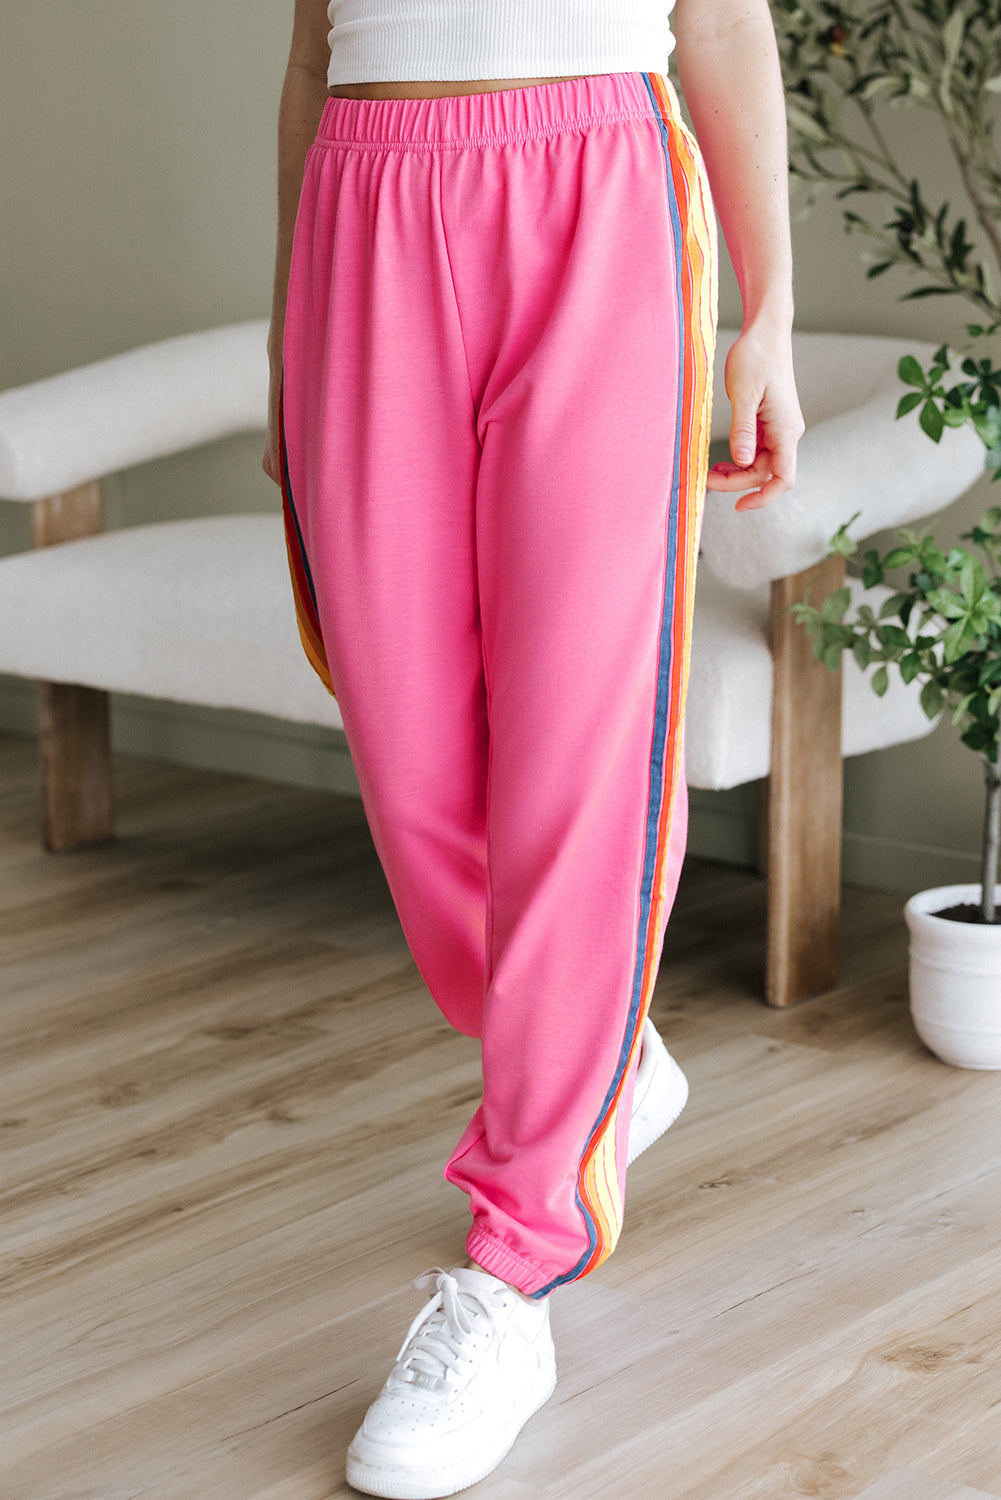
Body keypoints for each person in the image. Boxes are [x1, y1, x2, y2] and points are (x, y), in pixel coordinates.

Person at [264, 2, 804, 1494]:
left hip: (598, 193)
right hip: (363, 212)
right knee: (410, 756)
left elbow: (722, 24)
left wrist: (766, 318)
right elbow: (310, 54)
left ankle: (515, 1268)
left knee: (580, 745)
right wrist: (285, 336)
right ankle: (601, 1057)